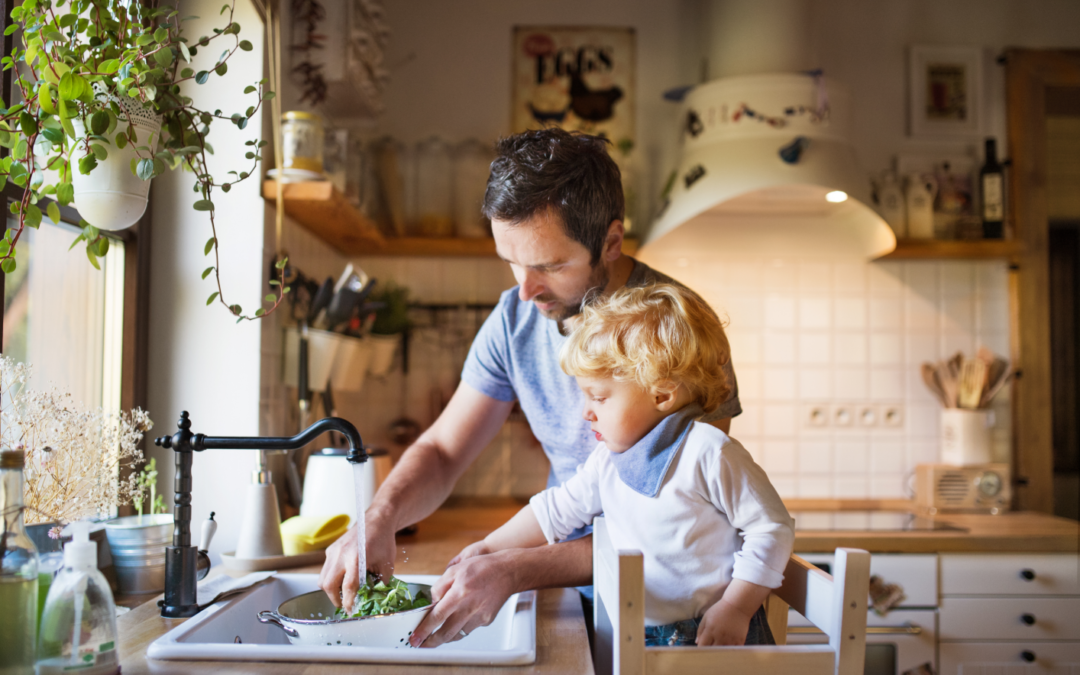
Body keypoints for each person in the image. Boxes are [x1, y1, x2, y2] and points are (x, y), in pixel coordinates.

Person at [318, 128, 743, 648]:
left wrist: (518, 568)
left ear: (610, 242)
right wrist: (379, 519)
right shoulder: (514, 318)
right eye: (512, 261)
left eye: (549, 265)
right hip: (572, 590)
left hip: (674, 612)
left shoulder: (681, 332)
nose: (525, 288)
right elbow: (444, 450)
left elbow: (677, 523)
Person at [449, 284, 794, 646]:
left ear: (661, 395)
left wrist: (737, 608)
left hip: (714, 631)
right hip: (638, 633)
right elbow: (554, 510)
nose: (586, 412)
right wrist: (488, 548)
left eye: (598, 397)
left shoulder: (709, 452)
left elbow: (772, 530)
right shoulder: (609, 460)